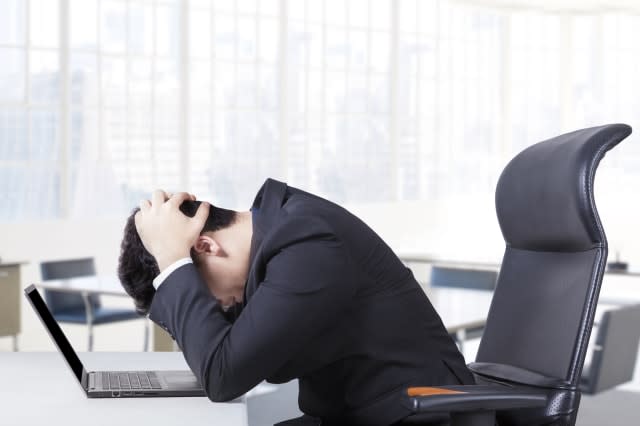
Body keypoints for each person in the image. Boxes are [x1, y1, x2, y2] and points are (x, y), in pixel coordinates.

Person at [118, 178, 474, 425]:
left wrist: (171, 258)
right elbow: (225, 354)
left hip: (419, 416)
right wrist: (174, 261)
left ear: (205, 246)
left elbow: (222, 376)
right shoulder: (278, 245)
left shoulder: (307, 243)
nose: (222, 309)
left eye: (214, 300)